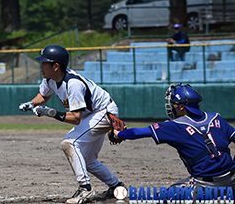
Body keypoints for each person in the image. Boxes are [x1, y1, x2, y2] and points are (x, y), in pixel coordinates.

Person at [19, 45, 126, 204]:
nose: (41, 66)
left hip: (104, 113)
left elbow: (76, 118)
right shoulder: (49, 79)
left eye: (45, 63)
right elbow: (43, 95)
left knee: (69, 143)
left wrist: (52, 113)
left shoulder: (73, 83)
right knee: (87, 160)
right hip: (91, 114)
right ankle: (116, 187)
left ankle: (85, 189)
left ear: (56, 66)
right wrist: (31, 103)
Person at [112, 83, 235, 200]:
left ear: (182, 107)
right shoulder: (216, 117)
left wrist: (118, 134)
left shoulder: (175, 126)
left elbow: (137, 133)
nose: (172, 106)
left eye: (174, 103)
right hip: (232, 180)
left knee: (161, 197)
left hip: (204, 185)